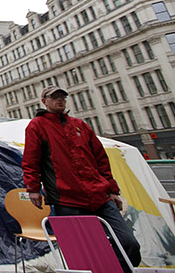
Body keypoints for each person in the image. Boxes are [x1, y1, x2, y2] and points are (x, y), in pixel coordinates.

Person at [22, 85, 141, 270]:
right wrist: (33, 189)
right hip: (67, 199)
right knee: (83, 253)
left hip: (99, 196)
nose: (59, 100)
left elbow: (101, 158)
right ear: (44, 101)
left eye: (62, 97)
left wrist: (112, 190)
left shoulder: (79, 125)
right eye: (54, 97)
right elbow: (31, 160)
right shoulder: (37, 126)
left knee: (129, 243)